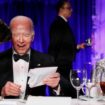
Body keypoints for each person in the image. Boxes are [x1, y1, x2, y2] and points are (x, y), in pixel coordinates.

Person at [0, 15, 77, 99]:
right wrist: (2, 92)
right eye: (16, 35)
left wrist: (57, 86)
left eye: (26, 35)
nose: (21, 40)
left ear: (32, 37)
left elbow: (74, 91)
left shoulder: (46, 60)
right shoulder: (1, 59)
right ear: (11, 37)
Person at [48, 0, 85, 80]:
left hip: (65, 65)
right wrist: (53, 67)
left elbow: (64, 45)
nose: (71, 10)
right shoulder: (58, 24)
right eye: (69, 8)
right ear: (61, 9)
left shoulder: (63, 23)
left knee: (75, 88)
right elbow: (55, 45)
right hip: (61, 66)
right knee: (73, 89)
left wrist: (78, 46)